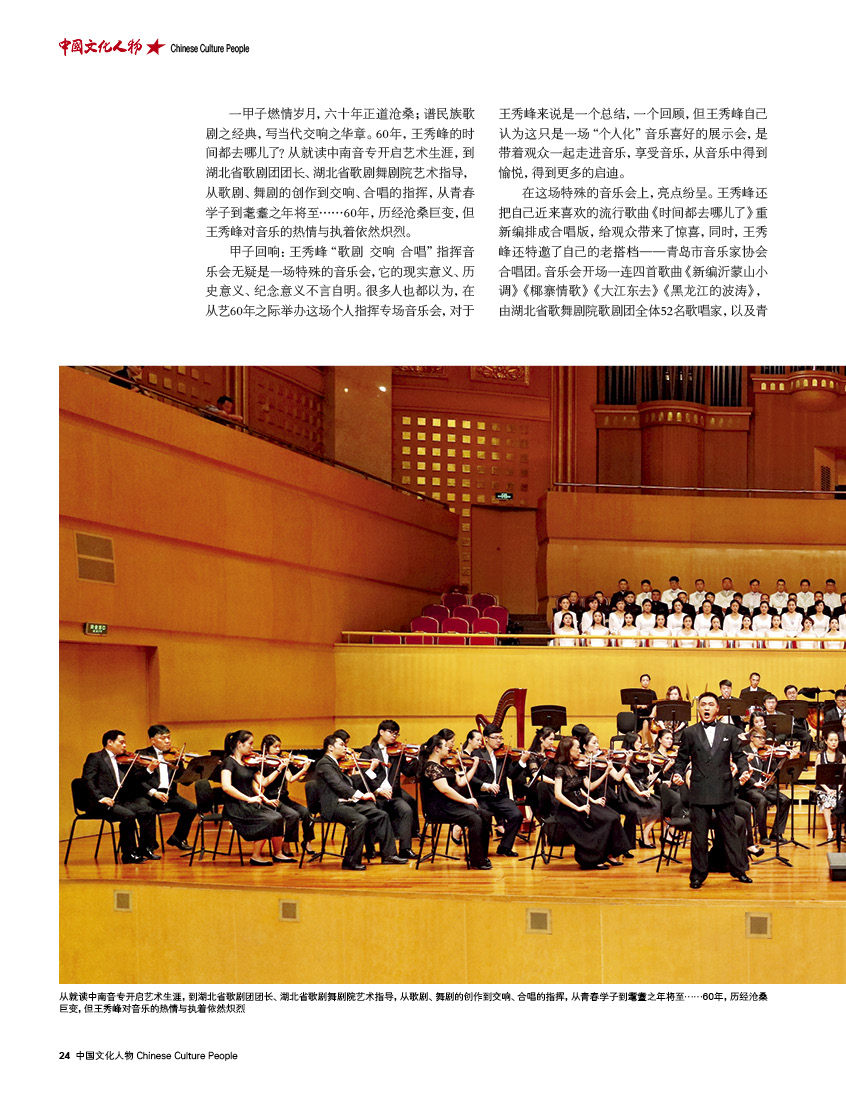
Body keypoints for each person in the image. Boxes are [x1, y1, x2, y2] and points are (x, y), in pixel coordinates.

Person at [671, 692, 753, 888]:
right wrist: (678, 774)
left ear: (717, 709)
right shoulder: (689, 732)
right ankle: (698, 875)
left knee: (730, 833)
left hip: (723, 788)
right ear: (699, 709)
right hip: (699, 790)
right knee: (699, 836)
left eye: (710, 704)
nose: (706, 707)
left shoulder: (730, 731)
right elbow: (681, 759)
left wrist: (744, 771)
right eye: (703, 704)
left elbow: (739, 756)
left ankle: (738, 870)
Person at [313, 732, 406, 870]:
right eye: (342, 745)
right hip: (333, 806)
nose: (345, 748)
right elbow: (338, 785)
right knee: (359, 820)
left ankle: (389, 855)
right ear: (331, 747)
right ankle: (350, 861)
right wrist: (362, 796)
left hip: (345, 803)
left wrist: (369, 771)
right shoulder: (324, 764)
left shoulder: (334, 763)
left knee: (381, 815)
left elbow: (350, 782)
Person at [549, 736, 631, 869]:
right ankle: (593, 858)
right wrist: (578, 808)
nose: (579, 751)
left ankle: (609, 853)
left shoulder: (578, 766)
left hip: (581, 800)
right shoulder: (560, 769)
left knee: (614, 816)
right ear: (568, 750)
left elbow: (588, 787)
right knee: (603, 821)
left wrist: (604, 776)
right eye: (577, 748)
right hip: (568, 807)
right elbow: (558, 794)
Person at [81, 730, 161, 863]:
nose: (124, 745)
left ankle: (146, 848)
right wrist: (101, 798)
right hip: (102, 803)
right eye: (121, 742)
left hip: (121, 800)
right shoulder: (95, 758)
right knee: (128, 815)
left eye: (125, 743)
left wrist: (149, 769)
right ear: (110, 742)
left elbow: (136, 779)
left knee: (148, 811)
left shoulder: (123, 760)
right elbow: (88, 780)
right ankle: (128, 854)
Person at [219, 730, 297, 866]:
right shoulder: (228, 762)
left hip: (251, 803)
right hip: (237, 806)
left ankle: (278, 853)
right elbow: (226, 787)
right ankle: (256, 856)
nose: (252, 747)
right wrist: (248, 799)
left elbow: (263, 782)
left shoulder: (249, 763)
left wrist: (279, 769)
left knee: (278, 817)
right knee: (269, 820)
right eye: (250, 743)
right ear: (239, 744)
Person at [418, 730, 492, 869]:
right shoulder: (431, 767)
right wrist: (466, 800)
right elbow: (445, 789)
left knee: (485, 815)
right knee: (475, 819)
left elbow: (461, 782)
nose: (449, 749)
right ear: (437, 749)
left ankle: (481, 855)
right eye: (446, 747)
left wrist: (474, 767)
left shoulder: (443, 766)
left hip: (450, 805)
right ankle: (476, 861)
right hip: (438, 808)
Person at [357, 719, 419, 859]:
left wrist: (417, 758)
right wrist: (379, 790)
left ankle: (405, 849)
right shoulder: (368, 750)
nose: (394, 736)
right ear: (381, 732)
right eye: (391, 732)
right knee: (375, 813)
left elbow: (408, 771)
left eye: (396, 734)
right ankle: (371, 847)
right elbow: (364, 775)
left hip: (393, 795)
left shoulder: (397, 752)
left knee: (406, 810)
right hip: (375, 795)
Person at [135, 724, 197, 851]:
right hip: (149, 795)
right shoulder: (142, 754)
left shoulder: (174, 756)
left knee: (191, 808)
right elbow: (137, 780)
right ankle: (149, 844)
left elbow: (184, 782)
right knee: (146, 811)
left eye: (169, 737)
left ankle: (177, 838)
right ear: (152, 740)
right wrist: (154, 793)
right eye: (163, 738)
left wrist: (189, 767)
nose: (168, 741)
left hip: (170, 794)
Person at [469, 723, 526, 856]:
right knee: (484, 817)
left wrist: (522, 762)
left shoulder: (504, 755)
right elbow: (472, 778)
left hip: (499, 797)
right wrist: (487, 786)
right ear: (486, 739)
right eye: (495, 738)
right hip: (482, 797)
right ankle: (480, 853)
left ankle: (505, 847)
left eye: (501, 738)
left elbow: (511, 775)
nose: (499, 741)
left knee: (516, 815)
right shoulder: (477, 754)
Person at [255, 734, 316, 857]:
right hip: (271, 799)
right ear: (266, 747)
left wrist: (304, 770)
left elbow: (291, 779)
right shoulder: (261, 764)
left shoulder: (282, 761)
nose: (278, 749)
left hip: (284, 798)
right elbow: (264, 782)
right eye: (275, 747)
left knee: (306, 812)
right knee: (293, 815)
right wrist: (279, 769)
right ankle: (286, 844)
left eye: (279, 746)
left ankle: (307, 842)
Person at [739, 718, 790, 845]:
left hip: (764, 788)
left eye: (764, 738)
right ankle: (763, 836)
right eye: (760, 738)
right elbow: (741, 771)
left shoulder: (766, 753)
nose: (763, 741)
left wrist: (781, 759)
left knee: (785, 800)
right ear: (752, 738)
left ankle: (776, 833)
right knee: (762, 801)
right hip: (748, 789)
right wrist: (754, 783)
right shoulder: (743, 752)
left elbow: (773, 770)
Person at [618, 731, 662, 846]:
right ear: (631, 743)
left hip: (641, 788)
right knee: (643, 808)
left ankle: (645, 836)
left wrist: (656, 767)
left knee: (660, 805)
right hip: (629, 792)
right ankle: (637, 840)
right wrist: (639, 792)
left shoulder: (640, 758)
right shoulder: (623, 758)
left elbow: (648, 777)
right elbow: (627, 779)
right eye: (638, 742)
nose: (641, 744)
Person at [815, 729, 844, 843]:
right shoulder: (820, 757)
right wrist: (828, 790)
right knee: (827, 802)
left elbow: (843, 778)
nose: (833, 742)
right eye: (831, 740)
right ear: (826, 741)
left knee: (843, 801)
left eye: (836, 740)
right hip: (824, 788)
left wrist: (837, 790)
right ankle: (830, 831)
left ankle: (842, 830)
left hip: (838, 788)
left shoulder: (842, 757)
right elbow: (818, 778)